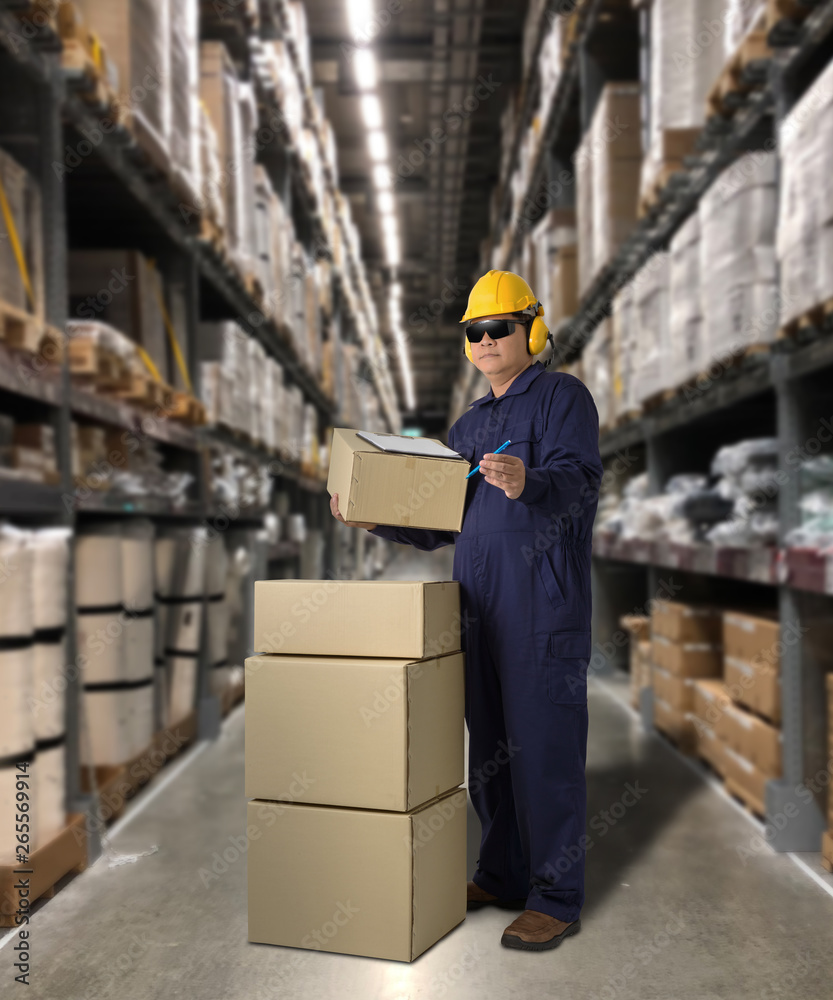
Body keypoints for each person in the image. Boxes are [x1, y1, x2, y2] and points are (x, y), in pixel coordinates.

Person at [329, 269, 604, 952]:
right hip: (477, 606)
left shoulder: (563, 398)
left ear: (529, 329)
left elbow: (580, 484)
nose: (484, 341)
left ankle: (554, 894)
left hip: (541, 607)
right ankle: (501, 872)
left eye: (497, 328)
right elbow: (437, 517)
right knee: (489, 749)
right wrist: (375, 522)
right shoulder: (468, 424)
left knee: (544, 751)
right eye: (473, 332)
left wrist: (527, 480)